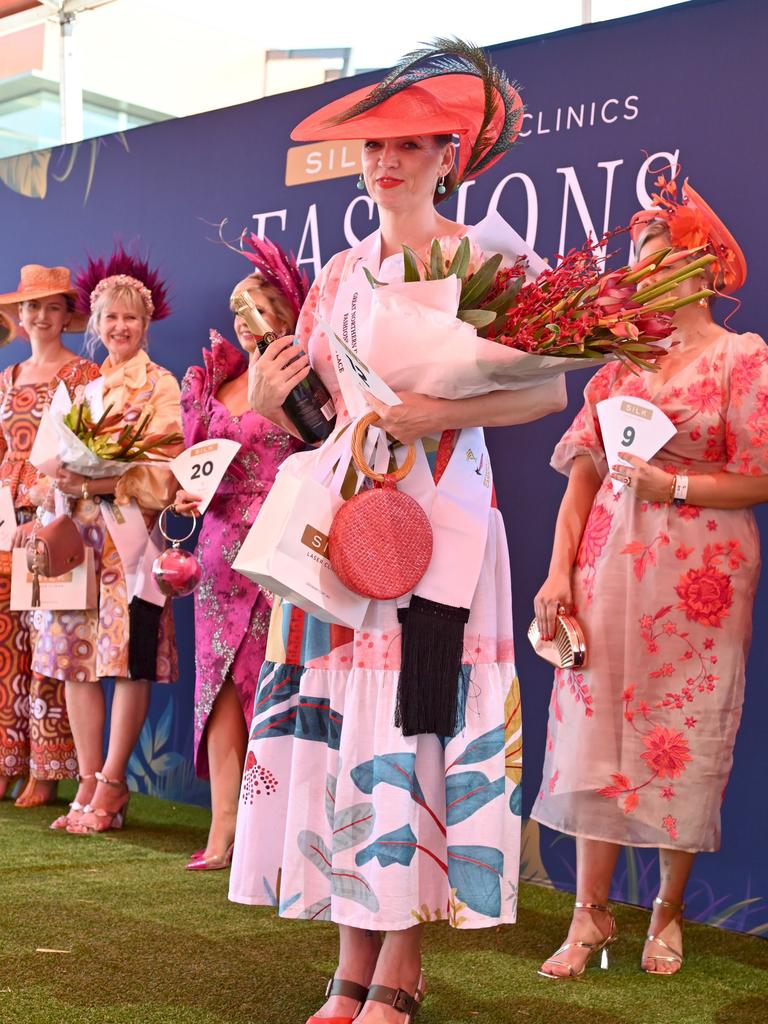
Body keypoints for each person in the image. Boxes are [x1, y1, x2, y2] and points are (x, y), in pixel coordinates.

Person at [230, 41, 567, 1024]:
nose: (391, 162)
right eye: (378, 144)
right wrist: (270, 398)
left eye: (413, 144)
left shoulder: (488, 260)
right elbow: (323, 420)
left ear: (448, 154)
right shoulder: (337, 276)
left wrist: (433, 413)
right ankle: (349, 964)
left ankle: (400, 971)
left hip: (449, 533)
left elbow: (541, 392)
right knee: (347, 734)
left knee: (416, 729)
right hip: (353, 532)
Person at [532, 177, 768, 977]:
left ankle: (666, 913)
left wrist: (673, 486)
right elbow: (581, 483)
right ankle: (588, 915)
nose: (640, 276)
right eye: (634, 263)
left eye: (657, 260)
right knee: (598, 734)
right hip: (607, 570)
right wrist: (556, 574)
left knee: (683, 735)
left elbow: (760, 473)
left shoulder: (742, 357)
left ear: (700, 269)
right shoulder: (614, 370)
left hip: (702, 574)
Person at [30, 249, 183, 834]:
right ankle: (88, 778)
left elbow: (167, 473)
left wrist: (97, 478)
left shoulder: (161, 386)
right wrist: (58, 483)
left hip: (130, 540)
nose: (120, 328)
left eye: (132, 319)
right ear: (96, 324)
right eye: (111, 318)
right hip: (78, 538)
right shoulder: (82, 390)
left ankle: (115, 784)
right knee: (74, 663)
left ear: (146, 326)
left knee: (128, 660)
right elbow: (53, 462)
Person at [174, 239, 305, 870]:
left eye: (259, 303)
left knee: (273, 685)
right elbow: (196, 467)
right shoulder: (216, 381)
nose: (246, 317)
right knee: (219, 688)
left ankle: (274, 835)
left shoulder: (304, 373)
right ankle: (224, 827)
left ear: (286, 308)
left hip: (276, 547)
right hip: (217, 548)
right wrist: (184, 492)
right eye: (237, 308)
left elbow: (326, 443)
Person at [0, 265, 98, 807]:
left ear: (67, 315)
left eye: (52, 307)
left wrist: (42, 506)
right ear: (19, 315)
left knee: (47, 646)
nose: (40, 316)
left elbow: (82, 450)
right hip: (4, 521)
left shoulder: (83, 374)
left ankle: (48, 767)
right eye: (31, 307)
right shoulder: (8, 378)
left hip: (52, 519)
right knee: (5, 647)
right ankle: (6, 759)